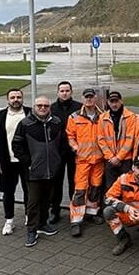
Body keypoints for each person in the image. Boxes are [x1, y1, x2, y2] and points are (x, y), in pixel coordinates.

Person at [12, 96, 66, 247]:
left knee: (46, 200)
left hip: (51, 171)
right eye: (39, 105)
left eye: (46, 106)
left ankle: (43, 224)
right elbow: (16, 146)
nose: (43, 108)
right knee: (33, 201)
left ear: (50, 107)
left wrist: (57, 161)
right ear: (34, 107)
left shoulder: (56, 122)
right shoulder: (25, 124)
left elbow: (63, 143)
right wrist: (28, 163)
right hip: (33, 172)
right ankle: (31, 230)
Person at [0, 88, 31, 235]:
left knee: (29, 191)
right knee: (8, 192)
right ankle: (9, 221)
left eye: (18, 97)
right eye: (12, 97)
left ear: (22, 98)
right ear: (8, 100)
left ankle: (29, 216)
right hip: (7, 162)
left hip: (26, 161)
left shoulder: (31, 113)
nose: (16, 100)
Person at [67, 87, 105, 237]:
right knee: (80, 190)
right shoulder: (74, 117)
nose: (89, 99)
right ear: (82, 99)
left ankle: (92, 212)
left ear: (95, 98)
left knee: (96, 188)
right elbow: (70, 136)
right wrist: (76, 148)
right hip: (83, 160)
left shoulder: (103, 116)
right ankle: (76, 220)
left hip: (99, 160)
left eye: (91, 97)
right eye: (86, 97)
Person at [48, 81, 81, 224]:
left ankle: (75, 213)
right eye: (62, 91)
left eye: (67, 90)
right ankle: (55, 211)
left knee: (75, 184)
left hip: (75, 152)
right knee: (56, 184)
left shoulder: (79, 108)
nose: (65, 93)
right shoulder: (51, 109)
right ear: (57, 92)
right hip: (57, 152)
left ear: (71, 92)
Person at [98, 91, 136, 189]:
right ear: (108, 102)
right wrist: (111, 157)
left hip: (125, 160)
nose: (114, 104)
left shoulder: (130, 117)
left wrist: (119, 157)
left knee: (126, 187)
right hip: (110, 160)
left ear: (121, 101)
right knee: (110, 188)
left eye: (116, 101)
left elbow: (130, 139)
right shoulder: (103, 118)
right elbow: (101, 139)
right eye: (112, 102)